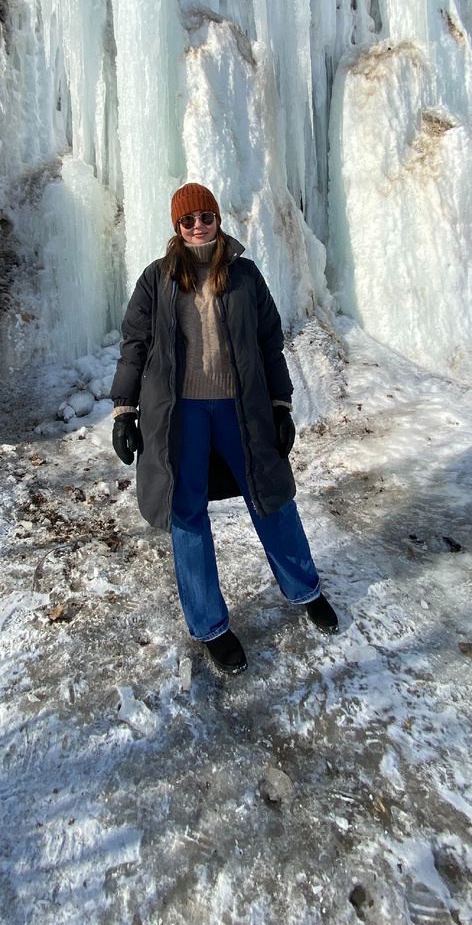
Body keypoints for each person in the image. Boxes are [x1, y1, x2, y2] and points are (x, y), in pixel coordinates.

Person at [110, 182, 338, 674]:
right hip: (180, 413)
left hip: (242, 408)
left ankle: (306, 590)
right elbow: (135, 345)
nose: (198, 227)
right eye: (187, 221)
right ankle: (210, 626)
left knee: (272, 497)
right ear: (176, 228)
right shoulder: (156, 279)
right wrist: (125, 409)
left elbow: (269, 342)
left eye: (205, 217)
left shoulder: (244, 275)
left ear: (217, 220)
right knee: (187, 513)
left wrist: (280, 405)